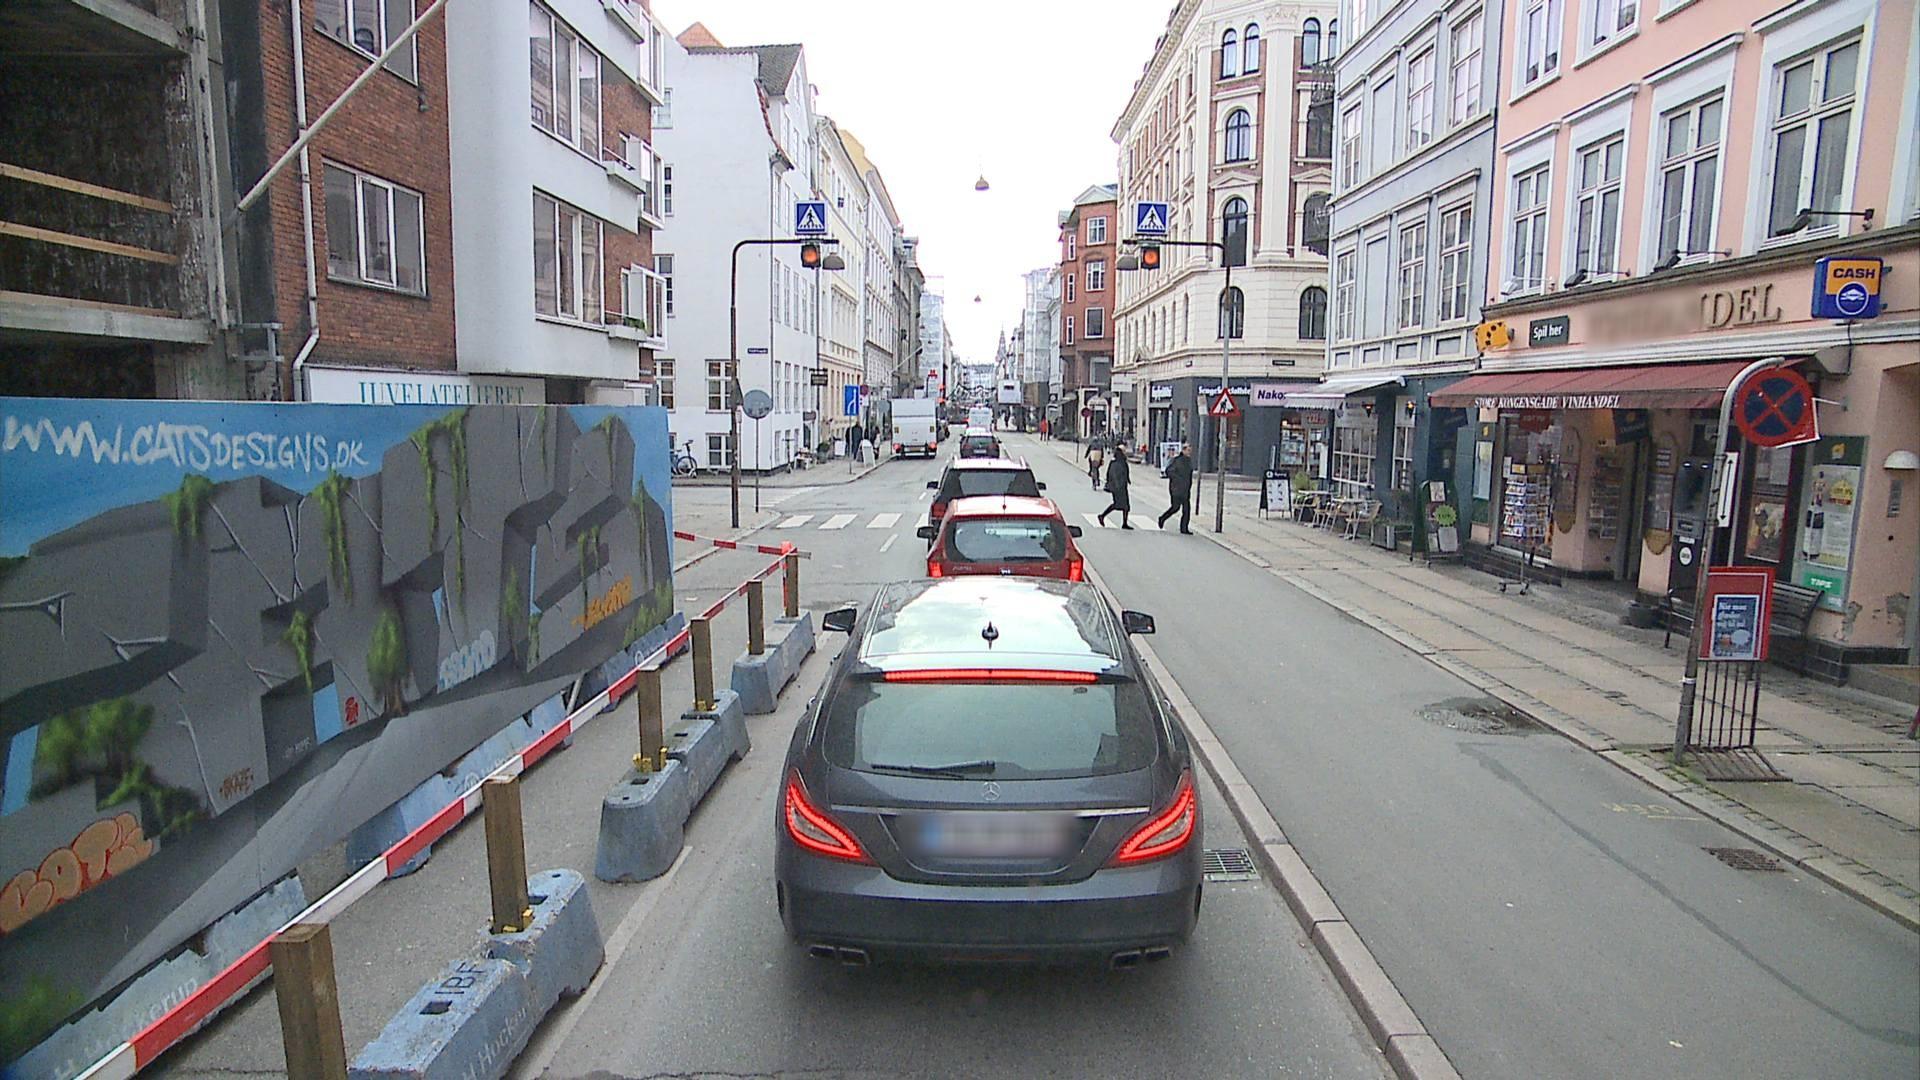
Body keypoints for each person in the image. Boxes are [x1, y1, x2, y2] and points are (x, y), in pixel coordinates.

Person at [1158, 442, 1194, 533]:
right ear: (1183, 450)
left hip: (1185, 489)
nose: (1189, 452)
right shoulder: (1176, 460)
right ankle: (1162, 518)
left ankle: (1184, 528)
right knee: (1175, 507)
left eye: (1190, 451)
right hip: (1176, 489)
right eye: (1188, 450)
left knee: (1186, 509)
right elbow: (1168, 471)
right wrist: (1177, 480)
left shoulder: (1189, 461)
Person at [1097, 445, 1133, 530]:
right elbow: (1115, 474)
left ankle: (1124, 523)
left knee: (1125, 506)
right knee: (1119, 505)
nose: (1125, 452)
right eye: (1124, 450)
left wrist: (1127, 480)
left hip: (1121, 486)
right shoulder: (1118, 462)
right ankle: (1102, 516)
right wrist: (1118, 485)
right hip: (1118, 487)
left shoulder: (1119, 461)